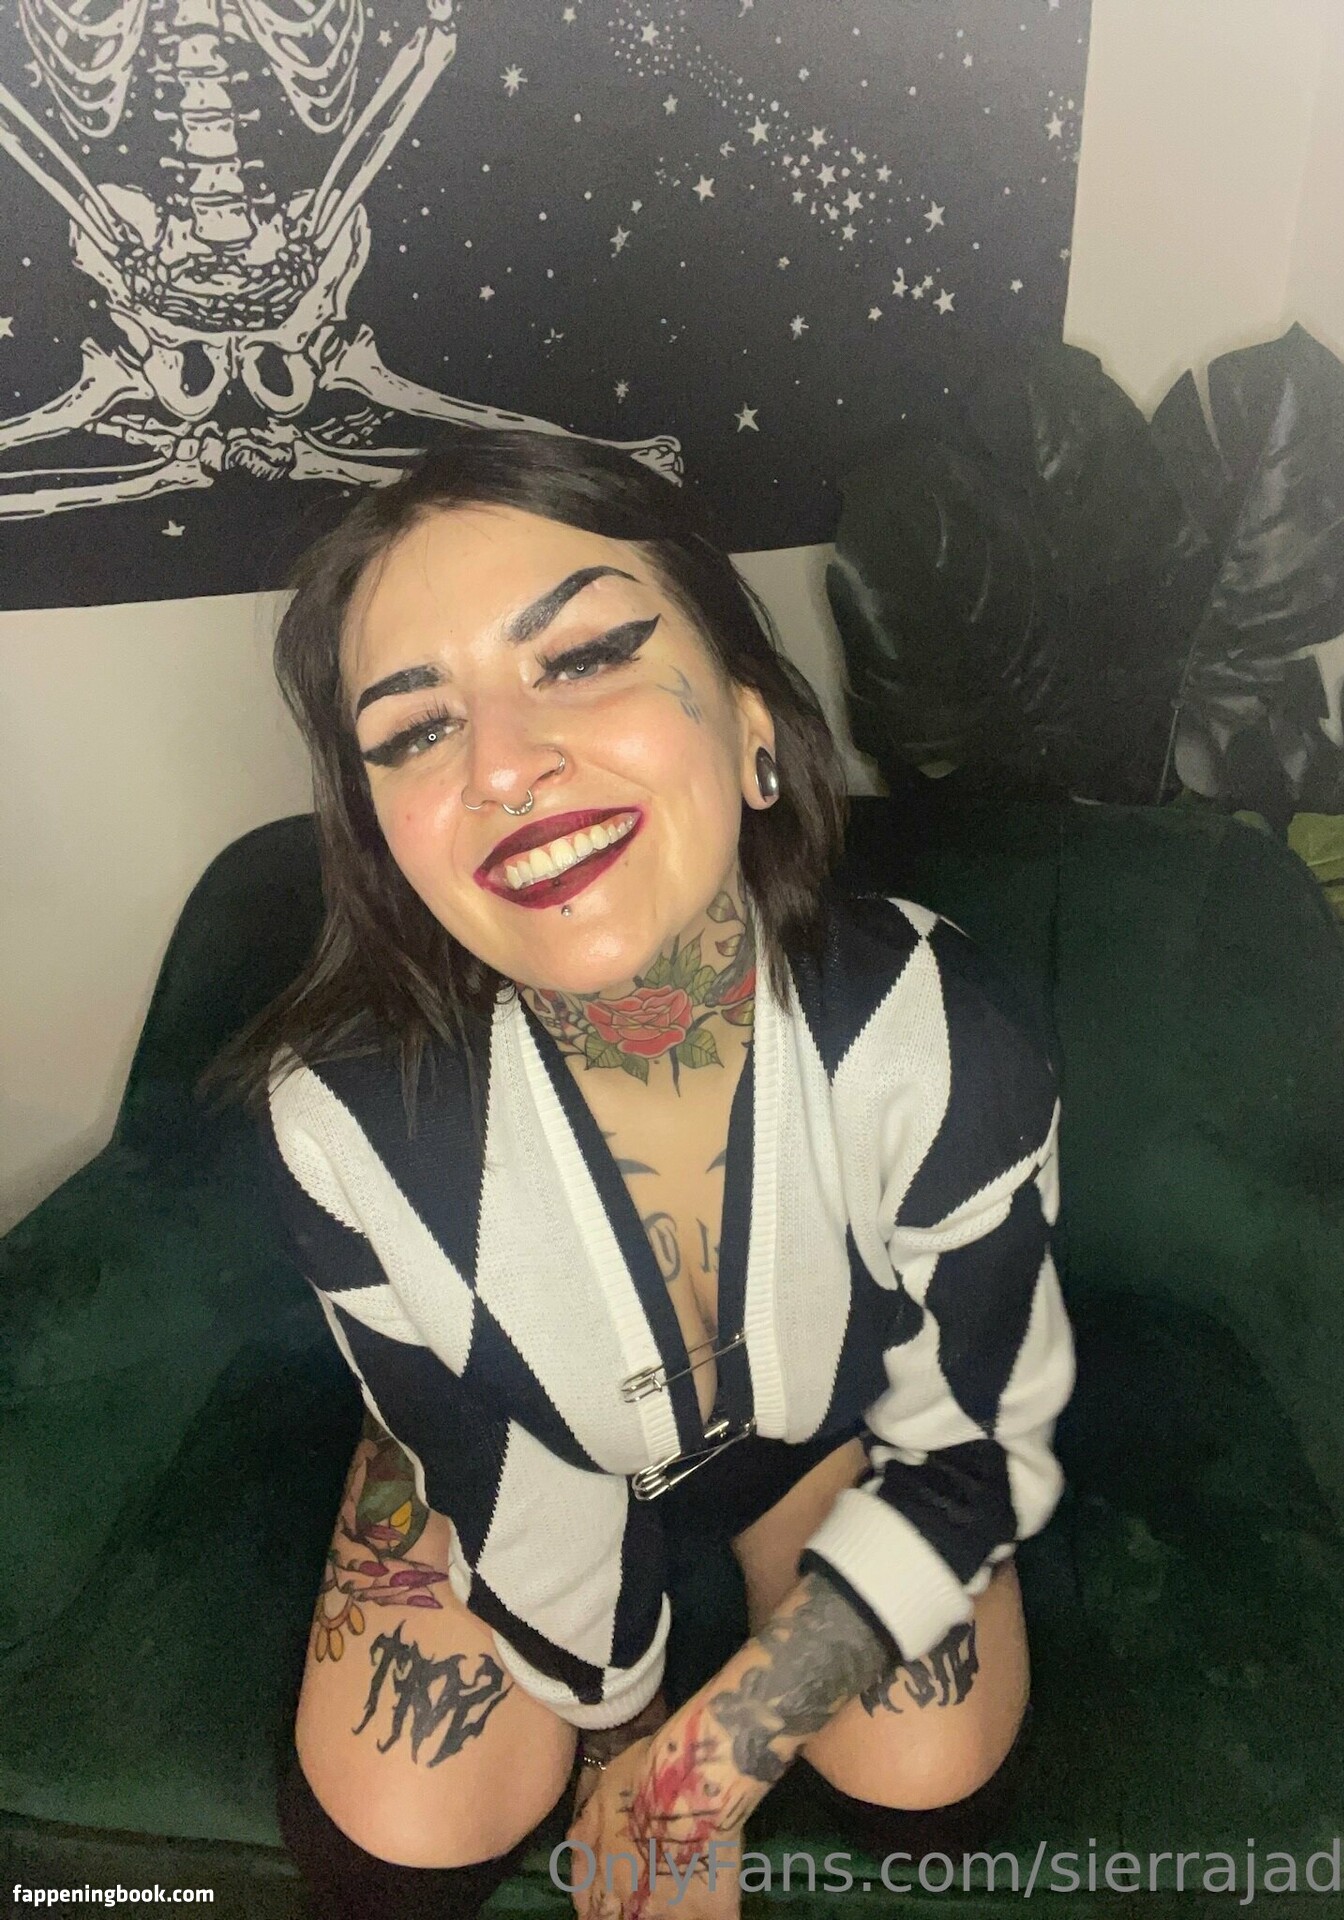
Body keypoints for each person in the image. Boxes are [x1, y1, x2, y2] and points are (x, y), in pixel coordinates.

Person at [219, 431, 1076, 1919]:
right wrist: (612, 1715)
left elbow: (976, 1432)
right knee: (400, 1842)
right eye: (415, 731)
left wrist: (700, 1772)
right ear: (383, 836)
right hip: (513, 1439)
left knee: (926, 1775)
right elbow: (494, 1468)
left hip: (822, 1431)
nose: (501, 766)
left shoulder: (938, 1030)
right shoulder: (342, 1124)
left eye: (584, 657)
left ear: (753, 725)